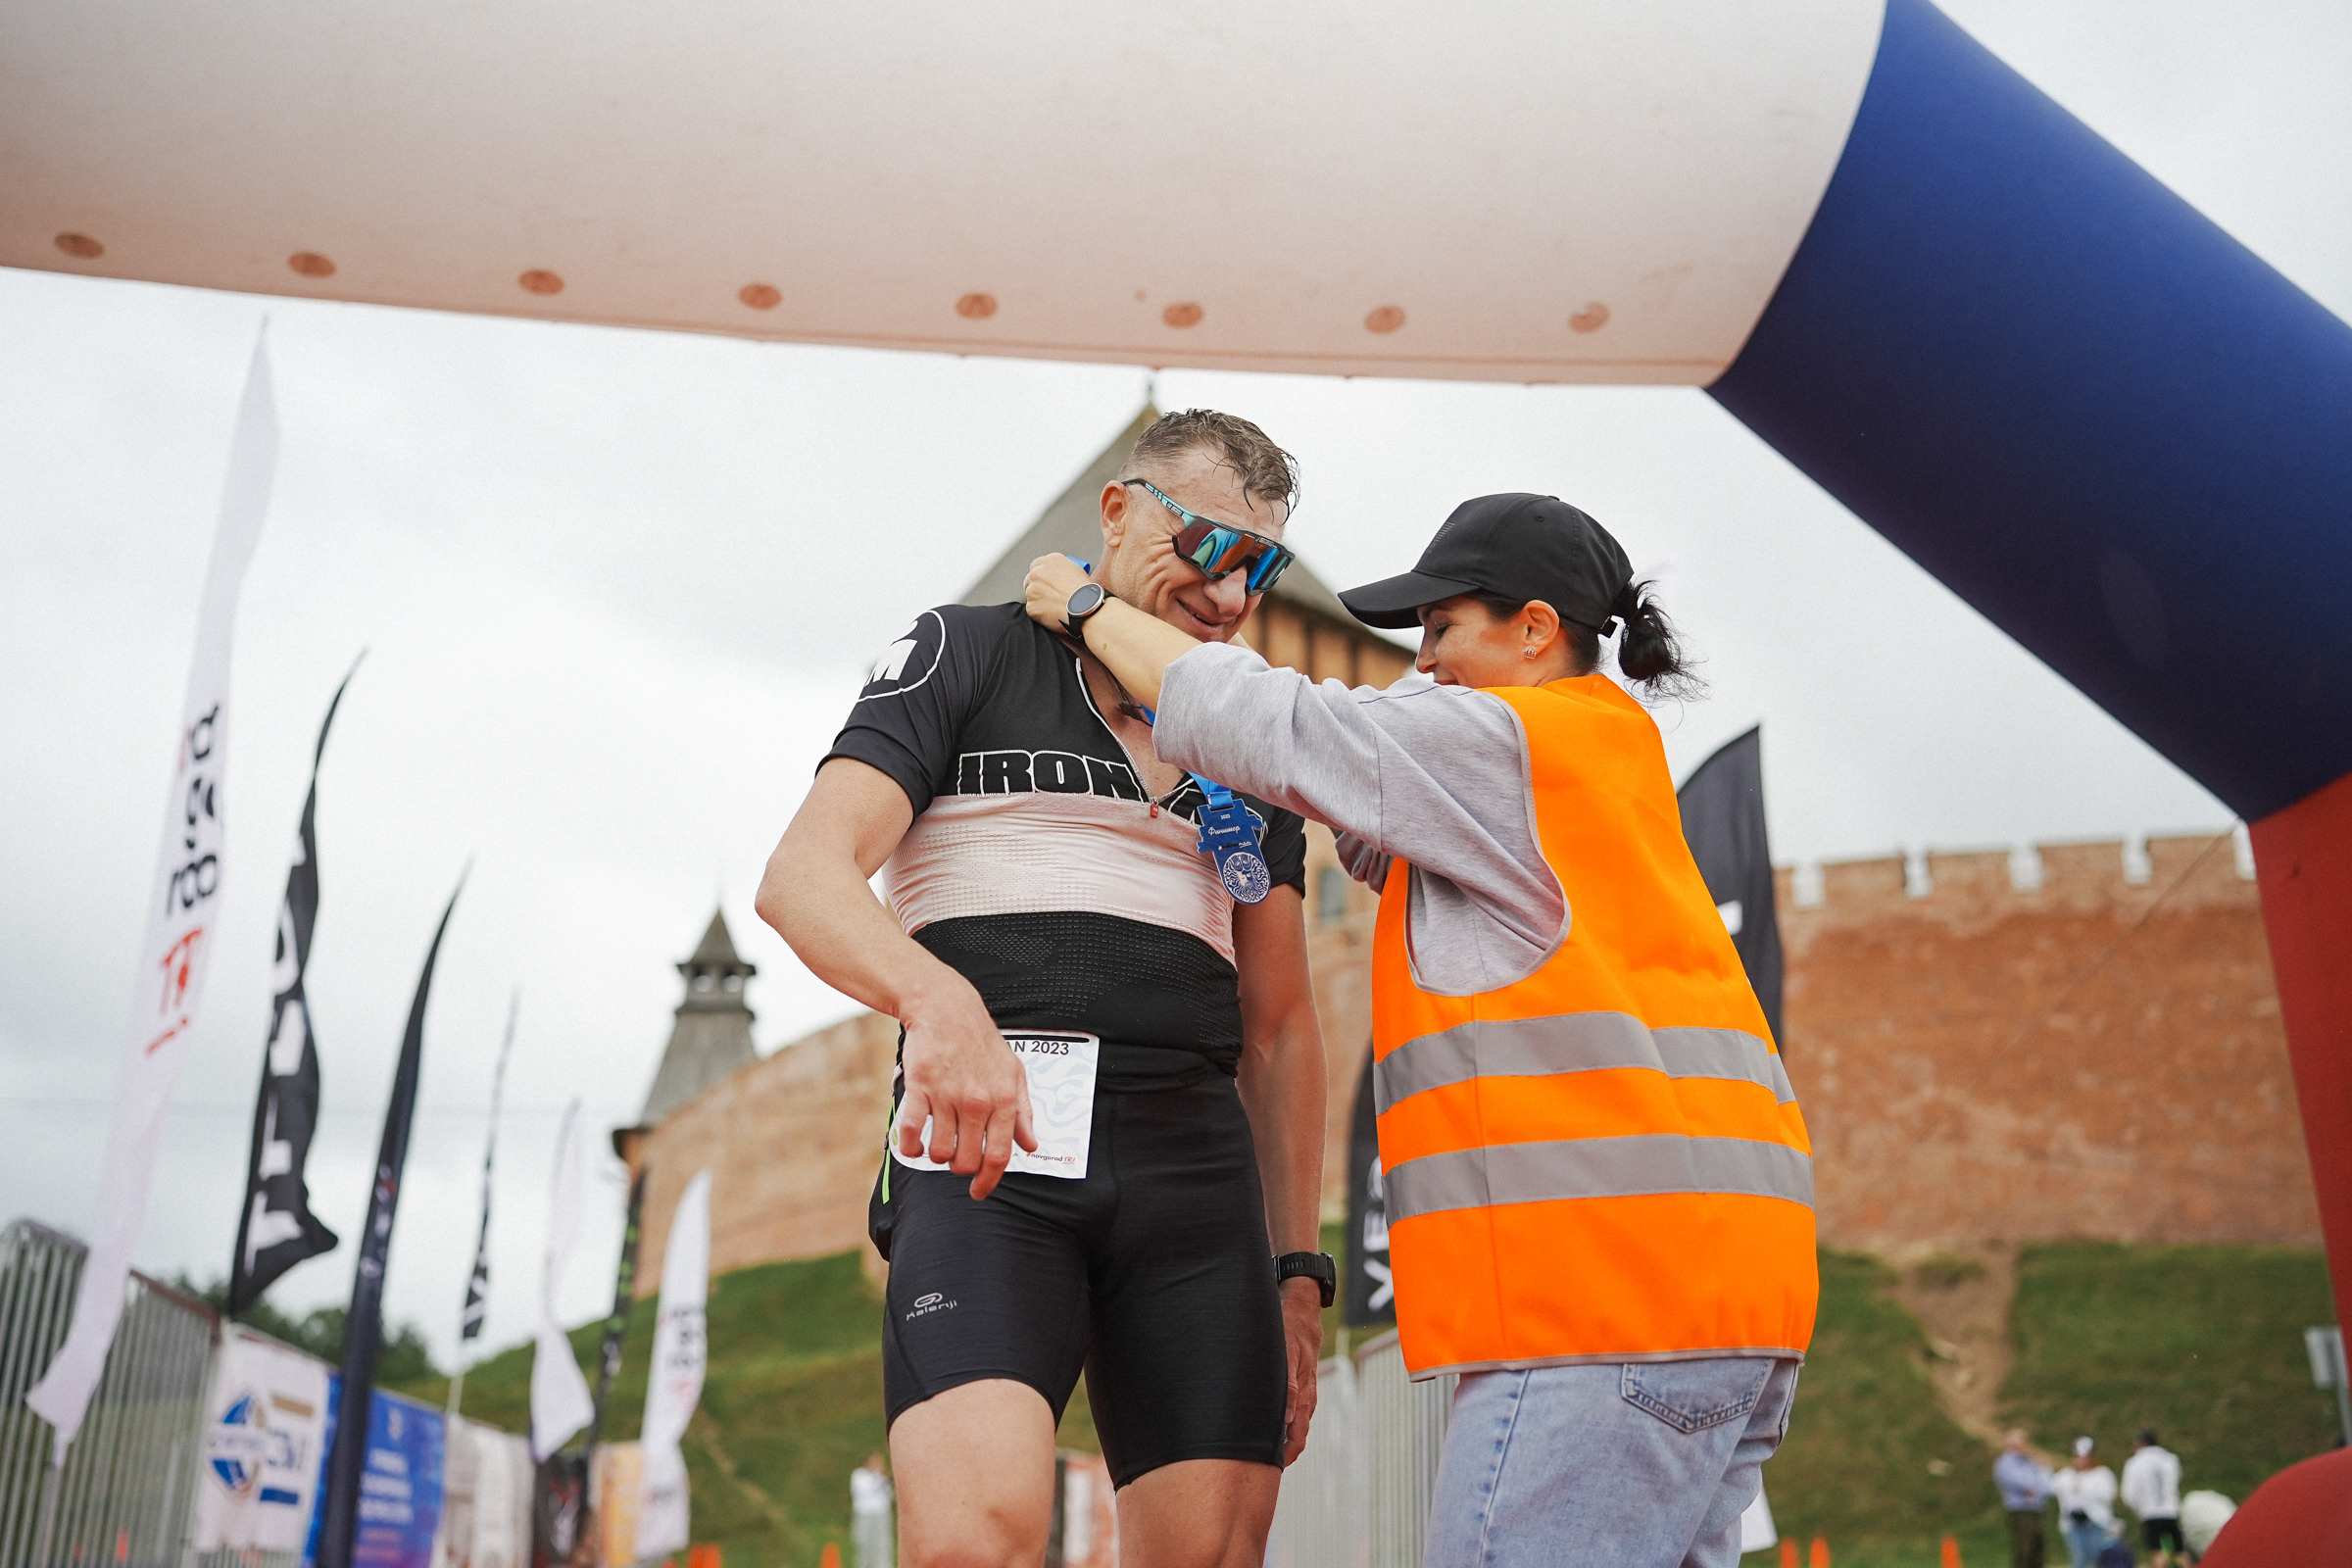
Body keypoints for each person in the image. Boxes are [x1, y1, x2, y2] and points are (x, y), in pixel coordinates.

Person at [1016, 491, 1819, 1567]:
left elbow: (1285, 727)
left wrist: (1082, 606)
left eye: (1441, 630)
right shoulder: (1595, 757)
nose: (1422, 662)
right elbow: (1369, 818)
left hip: (1600, 1304)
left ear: (1535, 631)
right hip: (1723, 1306)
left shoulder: (1513, 739)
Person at [756, 410, 1331, 1568]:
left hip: (1193, 1172)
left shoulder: (1244, 726)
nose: (1231, 592)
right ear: (1118, 513)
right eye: (1207, 545)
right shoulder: (964, 651)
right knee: (977, 1539)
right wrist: (939, 1002)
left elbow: (1277, 1027)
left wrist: (1298, 1276)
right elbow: (802, 877)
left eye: (1261, 565)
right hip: (993, 1148)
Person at [2048, 1437, 2121, 1568]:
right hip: (2073, 1525)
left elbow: (2108, 1495)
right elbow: (2051, 1488)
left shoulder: (2102, 1474)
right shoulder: (2066, 1475)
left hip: (2097, 1523)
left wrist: (2084, 1487)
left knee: (2098, 1559)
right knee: (2080, 1559)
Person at [2121, 1430, 2184, 1566]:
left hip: (2150, 1513)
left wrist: (2137, 1509)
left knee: (2157, 1551)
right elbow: (2176, 1480)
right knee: (2180, 1550)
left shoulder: (2134, 1462)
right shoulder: (2170, 1459)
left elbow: (2129, 1494)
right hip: (2171, 1511)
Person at [1995, 1428, 2056, 1568]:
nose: (2025, 1444)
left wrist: (2036, 1487)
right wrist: (2030, 1488)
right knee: (2025, 1549)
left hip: (2036, 1510)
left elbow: (2044, 1485)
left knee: (2038, 1549)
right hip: (2021, 1511)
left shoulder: (2028, 1463)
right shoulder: (2006, 1462)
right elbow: (2020, 1482)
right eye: (2022, 1441)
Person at [852, 1454, 896, 1568]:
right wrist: (879, 1477)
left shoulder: (882, 1477)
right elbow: (864, 1491)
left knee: (883, 1544)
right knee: (864, 1544)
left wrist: (885, 1479)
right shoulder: (859, 1475)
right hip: (865, 1515)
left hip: (881, 1515)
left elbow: (889, 1496)